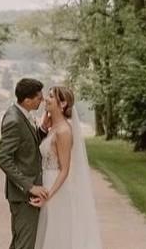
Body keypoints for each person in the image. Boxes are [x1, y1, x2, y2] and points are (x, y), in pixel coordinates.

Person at [33, 84, 102, 249]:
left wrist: (48, 194)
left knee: (55, 236)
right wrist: (43, 127)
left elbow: (65, 169)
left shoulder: (64, 131)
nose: (46, 99)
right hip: (45, 182)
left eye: (51, 96)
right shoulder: (52, 128)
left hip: (54, 188)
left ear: (62, 104)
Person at [0, 78, 49, 249]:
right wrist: (29, 186)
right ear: (27, 100)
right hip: (24, 196)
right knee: (25, 244)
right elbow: (4, 159)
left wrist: (42, 130)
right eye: (38, 98)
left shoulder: (22, 115)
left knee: (20, 243)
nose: (42, 101)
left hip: (25, 195)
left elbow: (28, 147)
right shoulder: (14, 120)